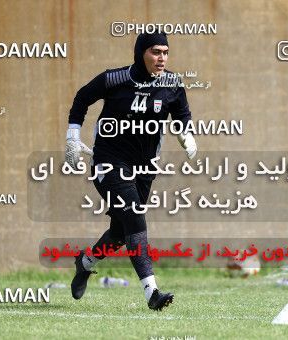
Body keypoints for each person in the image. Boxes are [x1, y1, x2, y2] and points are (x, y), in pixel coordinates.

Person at [65, 32, 197, 311]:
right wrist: (72, 135)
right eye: (155, 52)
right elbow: (82, 98)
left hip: (145, 167)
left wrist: (187, 133)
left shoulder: (172, 83)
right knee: (135, 218)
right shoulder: (115, 79)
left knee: (120, 231)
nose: (161, 58)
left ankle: (86, 262)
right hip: (109, 161)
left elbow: (182, 113)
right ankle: (152, 292)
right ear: (140, 53)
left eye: (165, 52)